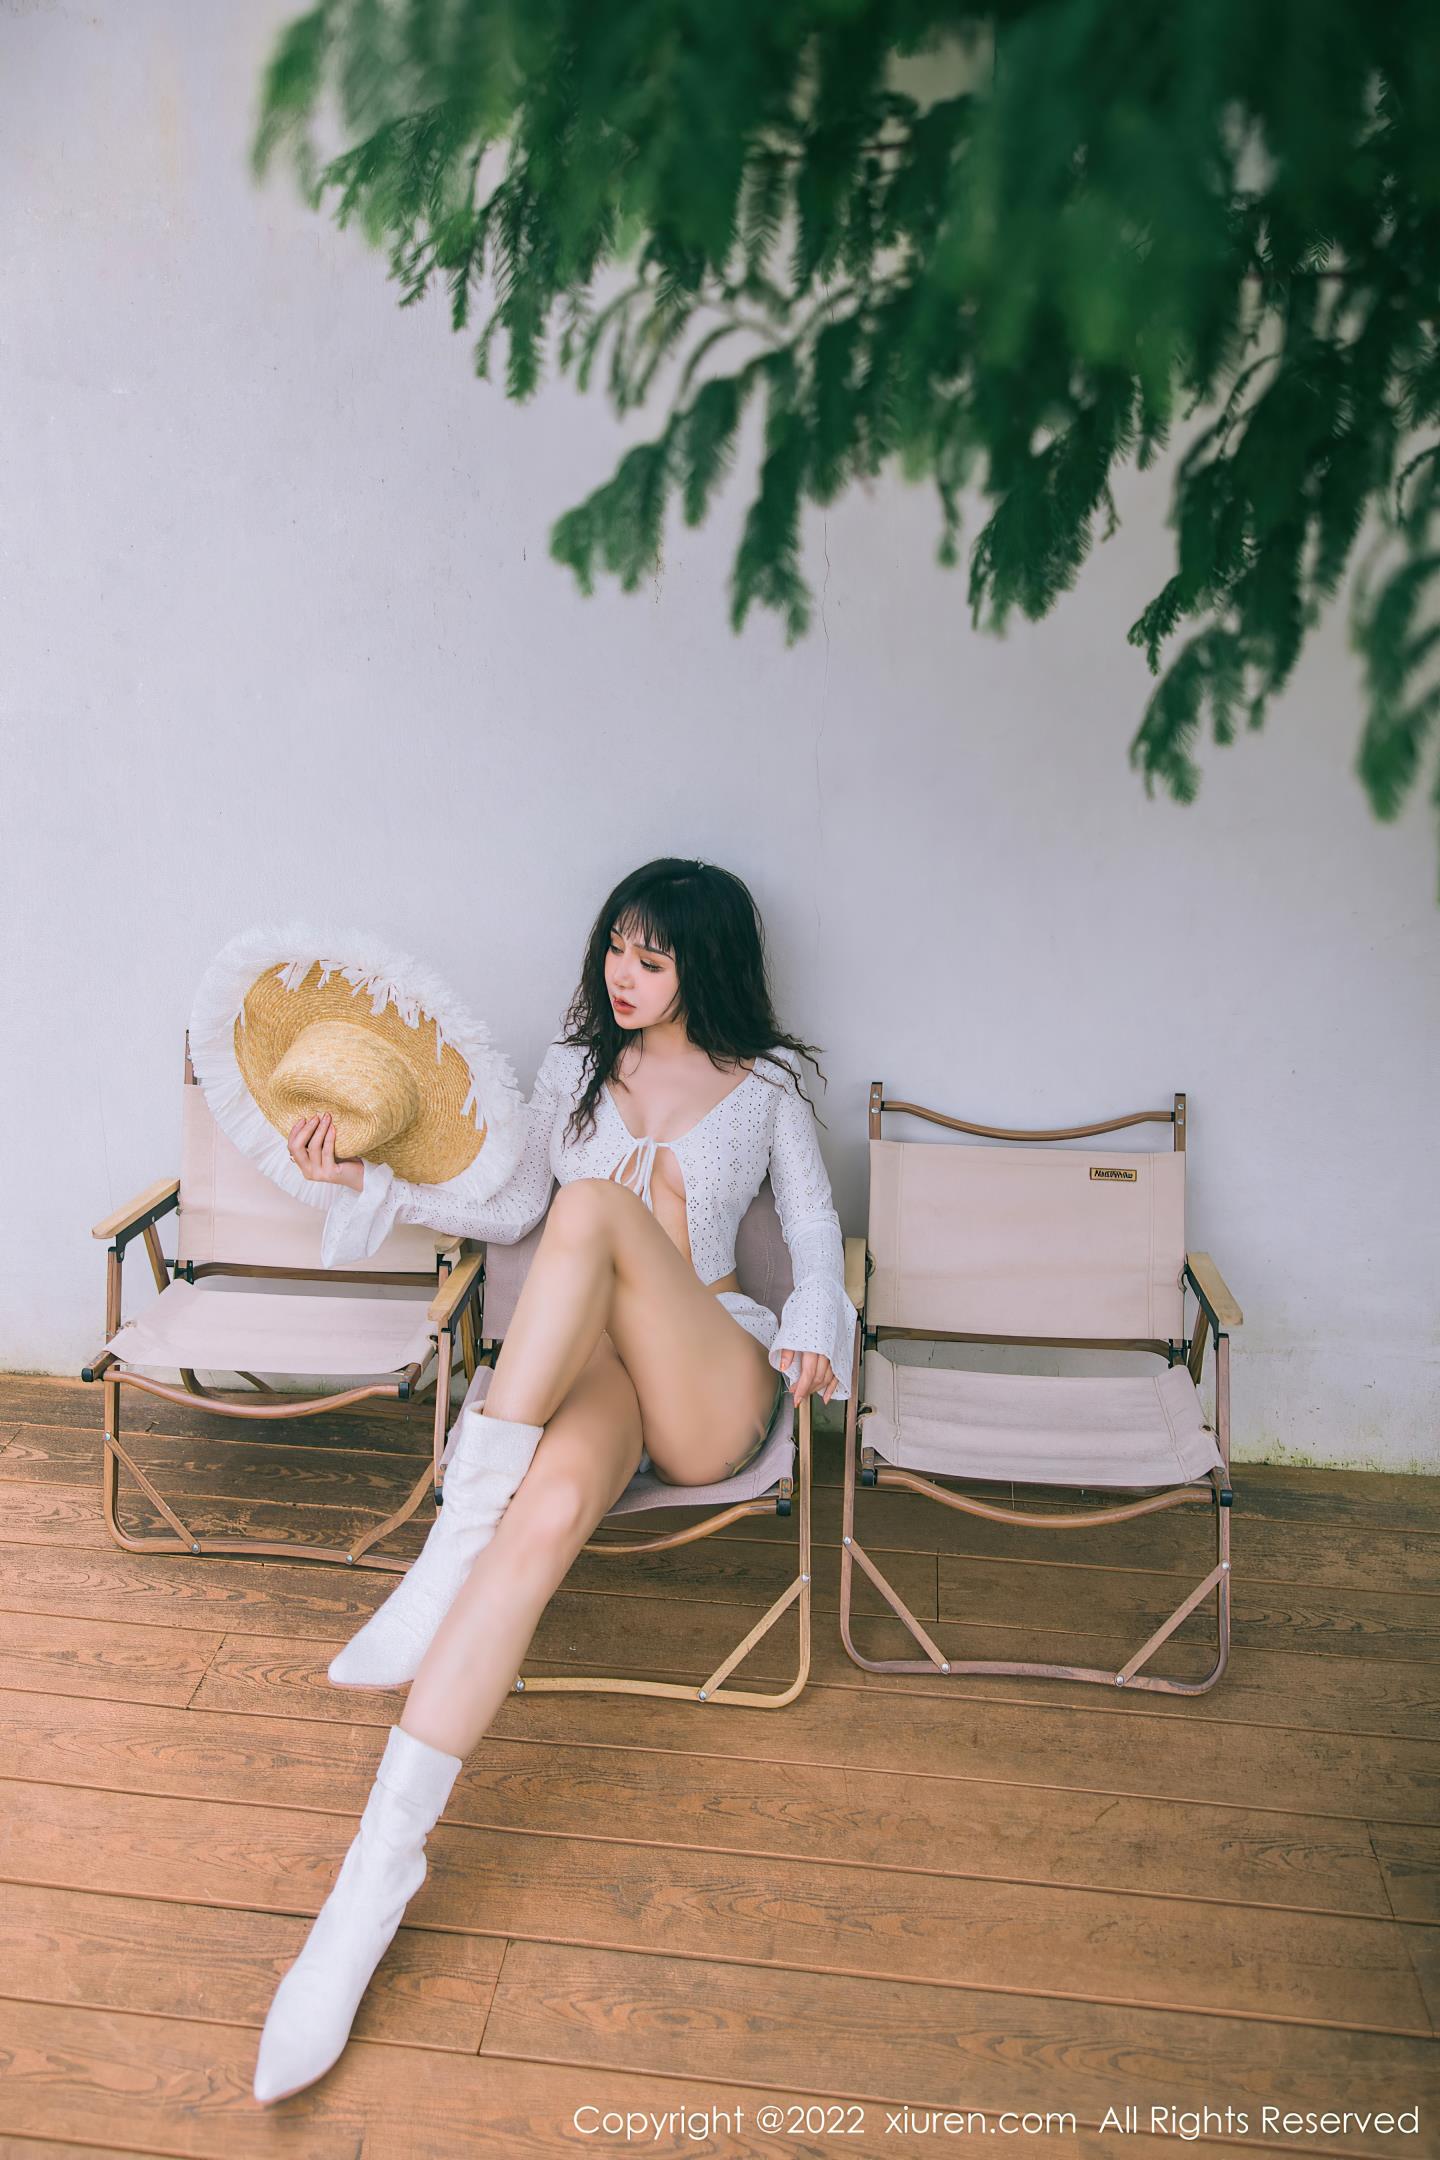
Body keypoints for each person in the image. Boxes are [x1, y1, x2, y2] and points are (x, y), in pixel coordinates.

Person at [251, 857, 857, 2104]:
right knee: (539, 1528)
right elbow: (504, 1203)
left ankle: (447, 1542)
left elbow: (812, 1237)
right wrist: (364, 1178)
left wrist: (815, 1323)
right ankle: (371, 1882)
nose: (623, 976)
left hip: (711, 1374)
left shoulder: (766, 1087)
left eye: (652, 958)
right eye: (616, 950)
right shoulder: (579, 1067)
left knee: (590, 1214)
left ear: (705, 964)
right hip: (603, 1383)